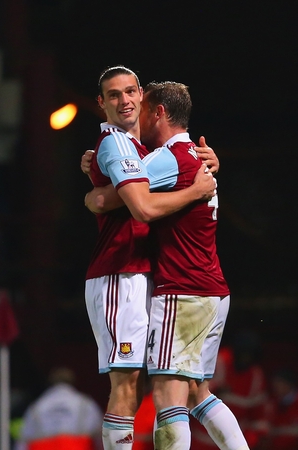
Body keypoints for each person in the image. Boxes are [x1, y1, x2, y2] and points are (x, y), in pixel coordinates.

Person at [85, 81, 246, 449]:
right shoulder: (193, 155)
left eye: (142, 105)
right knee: (196, 393)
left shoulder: (166, 158)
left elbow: (120, 196)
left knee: (167, 398)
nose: (134, 110)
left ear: (158, 112)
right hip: (213, 289)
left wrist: (92, 193)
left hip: (183, 289)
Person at [13, 367, 103, 450]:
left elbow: (22, 442)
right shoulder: (86, 404)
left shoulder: (36, 406)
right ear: (73, 381)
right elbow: (102, 438)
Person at [258, 369, 298, 450]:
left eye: (279, 383)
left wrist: (279, 431)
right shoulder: (273, 401)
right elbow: (268, 427)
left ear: (288, 384)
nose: (275, 386)